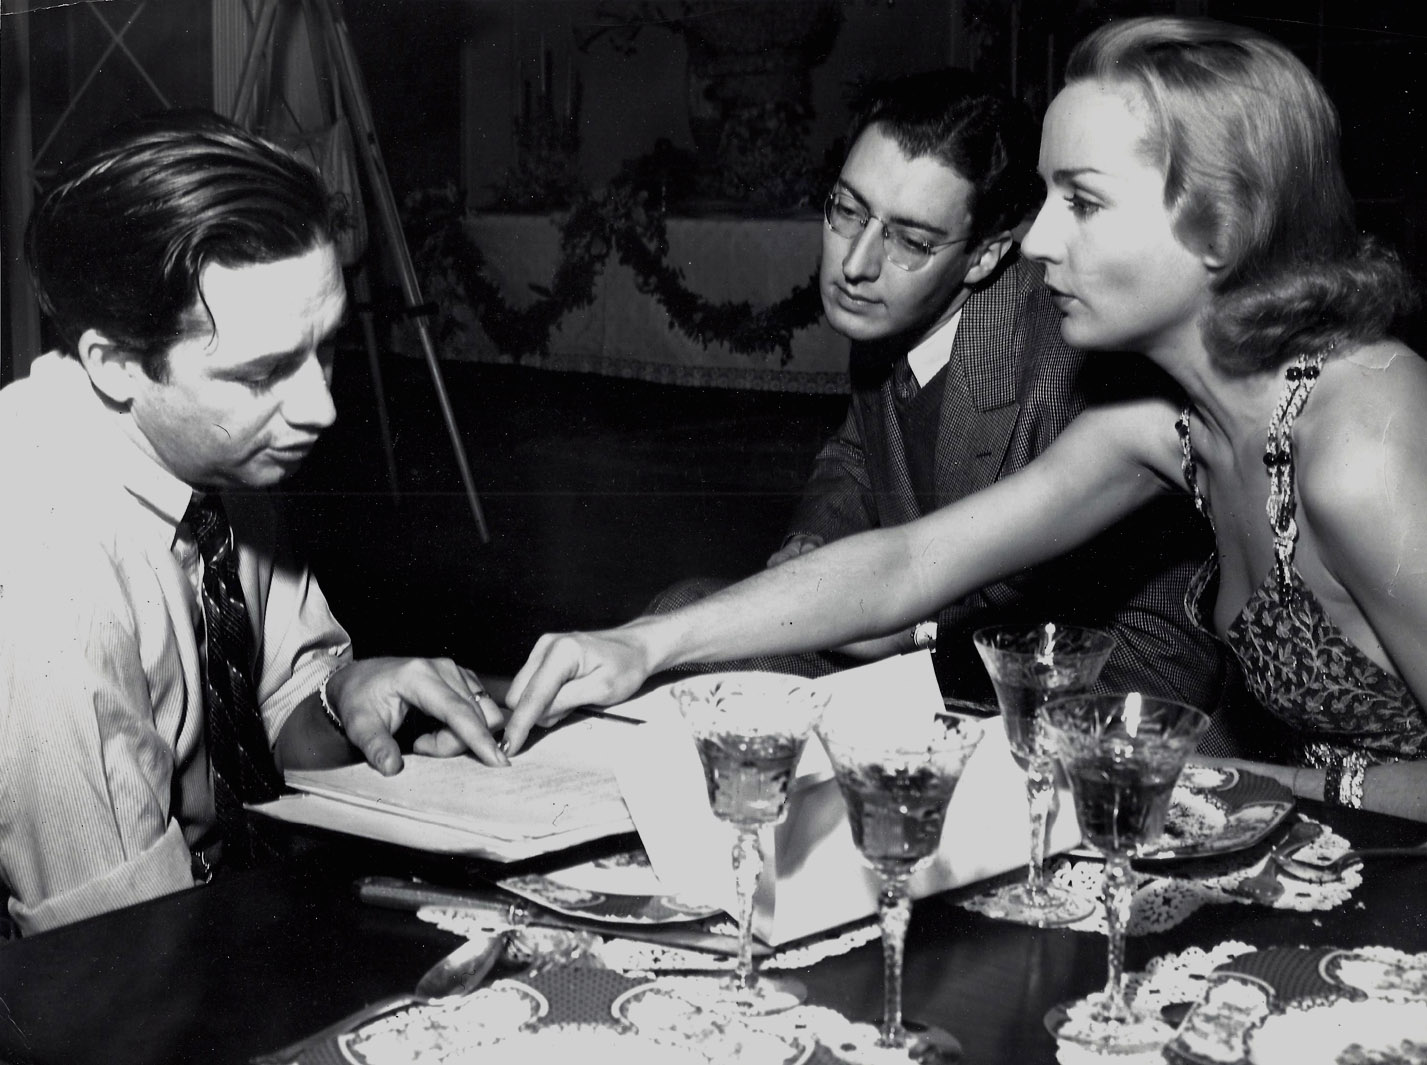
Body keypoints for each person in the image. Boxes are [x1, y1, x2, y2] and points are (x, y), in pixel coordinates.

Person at [503, 17, 1427, 822]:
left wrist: (1233, 780)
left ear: (1220, 226)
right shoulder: (1163, 427)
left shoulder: (1362, 442)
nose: (1035, 241)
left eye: (1082, 202)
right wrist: (641, 644)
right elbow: (911, 563)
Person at [0, 111, 512, 935]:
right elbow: (115, 952)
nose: (320, 408)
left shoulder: (211, 443)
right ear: (116, 364)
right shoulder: (44, 566)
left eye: (326, 347)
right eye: (264, 372)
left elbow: (280, 722)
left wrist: (340, 697)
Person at [653, 68, 1224, 708]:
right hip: (931, 631)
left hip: (1095, 680)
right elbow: (857, 455)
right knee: (684, 614)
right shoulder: (892, 302)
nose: (856, 263)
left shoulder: (1061, 367)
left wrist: (906, 629)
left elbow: (1013, 590)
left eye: (911, 240)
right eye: (848, 210)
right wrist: (812, 542)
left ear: (984, 257)